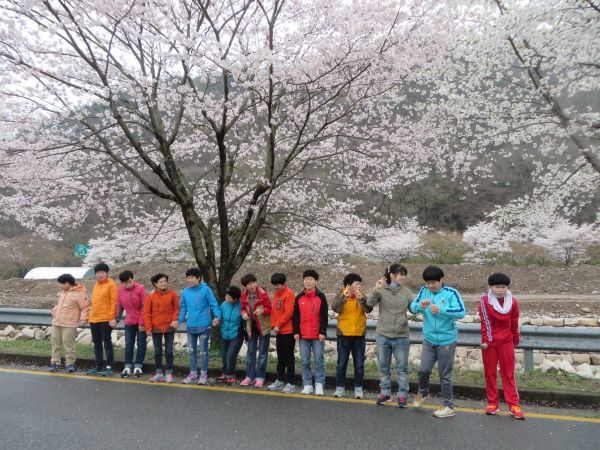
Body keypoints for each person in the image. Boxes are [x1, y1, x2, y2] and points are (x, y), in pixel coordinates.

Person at [410, 265, 466, 418]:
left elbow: (461, 312)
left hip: (446, 340)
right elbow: (413, 308)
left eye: (433, 282)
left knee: (444, 375)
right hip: (429, 339)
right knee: (423, 370)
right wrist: (420, 306)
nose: (430, 286)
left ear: (441, 280)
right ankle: (422, 393)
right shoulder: (424, 291)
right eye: (428, 282)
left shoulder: (451, 293)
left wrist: (441, 310)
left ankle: (448, 406)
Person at [479, 272, 525, 420]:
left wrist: (515, 340)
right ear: (491, 287)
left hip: (506, 342)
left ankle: (513, 404)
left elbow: (514, 322)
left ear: (507, 287)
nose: (500, 290)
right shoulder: (485, 301)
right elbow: (485, 322)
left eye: (503, 287)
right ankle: (493, 403)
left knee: (508, 373)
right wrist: (486, 341)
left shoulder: (513, 302)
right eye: (497, 287)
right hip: (490, 343)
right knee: (490, 373)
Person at [366, 265, 413, 407]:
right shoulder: (381, 289)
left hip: (401, 335)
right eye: (401, 274)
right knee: (383, 367)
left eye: (404, 274)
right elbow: (369, 303)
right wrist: (376, 288)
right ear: (392, 275)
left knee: (402, 368)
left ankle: (402, 395)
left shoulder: (406, 292)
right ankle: (385, 393)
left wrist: (421, 305)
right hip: (383, 335)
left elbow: (413, 309)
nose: (403, 277)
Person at [331, 273, 373, 399]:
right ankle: (340, 388)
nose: (359, 286)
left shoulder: (362, 295)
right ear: (348, 285)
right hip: (343, 334)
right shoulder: (341, 295)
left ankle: (358, 388)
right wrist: (345, 296)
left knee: (359, 364)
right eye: (356, 284)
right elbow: (335, 308)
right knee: (341, 363)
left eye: (360, 284)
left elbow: (369, 309)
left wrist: (361, 299)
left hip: (359, 334)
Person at [178, 268, 221, 385]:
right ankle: (193, 374)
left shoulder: (206, 290)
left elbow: (214, 304)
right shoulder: (185, 292)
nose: (189, 280)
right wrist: (178, 321)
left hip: (204, 326)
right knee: (192, 351)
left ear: (199, 278)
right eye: (188, 278)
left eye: (192, 278)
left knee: (204, 352)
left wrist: (217, 316)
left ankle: (203, 374)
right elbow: (183, 308)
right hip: (191, 327)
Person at [293, 269, 328, 396]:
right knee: (305, 361)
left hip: (317, 335)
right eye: (306, 279)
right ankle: (307, 384)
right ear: (303, 281)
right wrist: (296, 331)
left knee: (319, 360)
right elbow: (296, 316)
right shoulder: (299, 297)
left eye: (311, 279)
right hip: (303, 335)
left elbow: (324, 316)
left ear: (315, 281)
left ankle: (319, 384)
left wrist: (322, 331)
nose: (308, 281)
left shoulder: (320, 296)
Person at [49, 274, 89, 373]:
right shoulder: (63, 292)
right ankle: (55, 363)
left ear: (67, 283)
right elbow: (60, 305)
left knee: (68, 345)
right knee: (55, 344)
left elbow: (85, 307)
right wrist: (54, 310)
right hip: (57, 322)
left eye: (61, 284)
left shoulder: (80, 293)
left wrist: (84, 319)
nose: (60, 286)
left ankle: (70, 364)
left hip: (70, 323)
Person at [144, 273, 179, 383]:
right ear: (155, 284)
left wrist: (174, 320)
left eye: (165, 281)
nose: (164, 283)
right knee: (157, 351)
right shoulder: (151, 297)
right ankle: (159, 373)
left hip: (169, 327)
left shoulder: (172, 294)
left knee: (169, 351)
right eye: (161, 282)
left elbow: (177, 309)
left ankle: (169, 373)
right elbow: (147, 313)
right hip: (156, 328)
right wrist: (148, 328)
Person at [239, 273, 272, 388]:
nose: (252, 285)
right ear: (245, 286)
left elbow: (269, 308)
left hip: (263, 326)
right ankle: (249, 376)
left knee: (262, 352)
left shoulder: (263, 293)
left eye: (253, 282)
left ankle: (260, 377)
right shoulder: (243, 295)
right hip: (251, 325)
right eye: (249, 284)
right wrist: (243, 313)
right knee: (250, 352)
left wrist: (262, 311)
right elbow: (242, 308)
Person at [86, 262, 118, 376]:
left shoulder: (111, 284)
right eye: (98, 272)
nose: (100, 274)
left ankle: (110, 367)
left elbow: (114, 302)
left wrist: (112, 318)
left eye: (103, 272)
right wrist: (89, 316)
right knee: (97, 343)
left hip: (106, 319)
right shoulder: (96, 285)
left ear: (107, 273)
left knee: (107, 343)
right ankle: (99, 366)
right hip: (94, 318)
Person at [268, 273, 297, 393]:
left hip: (287, 331)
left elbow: (288, 313)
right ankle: (280, 380)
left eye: (278, 285)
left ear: (285, 284)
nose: (276, 287)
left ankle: (291, 382)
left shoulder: (289, 294)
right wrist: (273, 325)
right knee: (280, 357)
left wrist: (278, 325)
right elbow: (274, 311)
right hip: (279, 331)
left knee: (289, 357)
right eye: (274, 285)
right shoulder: (276, 294)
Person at [115, 270, 147, 378]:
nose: (128, 284)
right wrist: (116, 319)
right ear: (122, 283)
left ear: (133, 279)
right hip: (129, 322)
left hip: (141, 321)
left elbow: (144, 307)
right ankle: (127, 366)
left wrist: (142, 323)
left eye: (130, 282)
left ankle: (138, 366)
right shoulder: (120, 290)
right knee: (129, 344)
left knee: (141, 344)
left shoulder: (140, 289)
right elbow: (120, 307)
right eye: (125, 283)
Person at [217, 286, 244, 385]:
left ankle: (231, 375)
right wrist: (217, 319)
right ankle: (225, 374)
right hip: (224, 334)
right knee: (224, 356)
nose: (226, 298)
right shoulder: (224, 304)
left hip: (236, 335)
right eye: (226, 296)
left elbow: (247, 319)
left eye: (229, 297)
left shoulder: (241, 306)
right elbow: (219, 314)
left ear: (235, 299)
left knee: (230, 356)